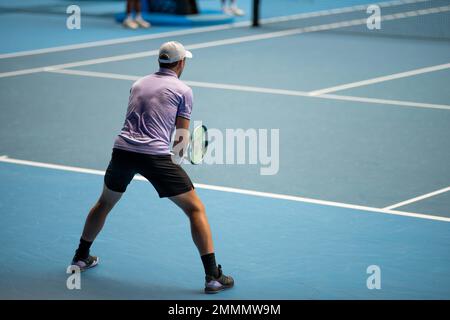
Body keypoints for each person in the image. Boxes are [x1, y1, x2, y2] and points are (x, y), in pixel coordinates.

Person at [70, 41, 234, 294]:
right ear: (181, 63)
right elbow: (180, 139)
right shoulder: (183, 90)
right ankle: (213, 275)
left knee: (104, 203)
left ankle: (81, 257)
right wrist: (179, 157)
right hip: (154, 157)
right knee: (195, 209)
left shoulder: (138, 84)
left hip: (122, 151)